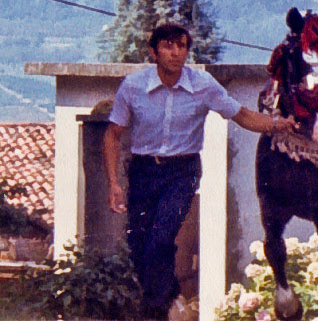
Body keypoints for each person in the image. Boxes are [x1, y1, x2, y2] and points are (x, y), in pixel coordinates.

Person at [104, 22, 298, 321]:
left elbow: (242, 115)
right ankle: (161, 304)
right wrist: (114, 182)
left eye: (182, 46)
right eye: (168, 46)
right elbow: (113, 134)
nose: (176, 53)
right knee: (138, 245)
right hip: (143, 171)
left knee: (161, 235)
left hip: (182, 171)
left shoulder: (203, 85)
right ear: (153, 51)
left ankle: (165, 303)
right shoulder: (133, 86)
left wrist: (277, 124)